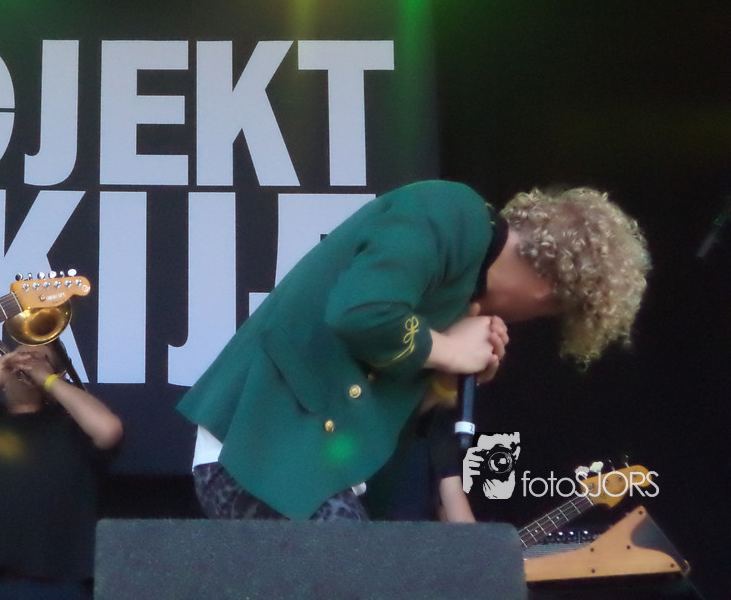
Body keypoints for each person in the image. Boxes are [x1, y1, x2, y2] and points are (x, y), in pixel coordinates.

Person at [177, 179, 650, 521]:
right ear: (548, 291)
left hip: (315, 474)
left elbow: (375, 399)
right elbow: (360, 311)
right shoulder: (449, 213)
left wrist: (439, 385)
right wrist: (449, 349)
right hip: (260, 450)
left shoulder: (457, 291)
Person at [0, 339, 123, 600]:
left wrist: (47, 379)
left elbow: (109, 429)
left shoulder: (73, 429)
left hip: (60, 584)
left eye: (39, 358)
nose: (27, 363)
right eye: (20, 356)